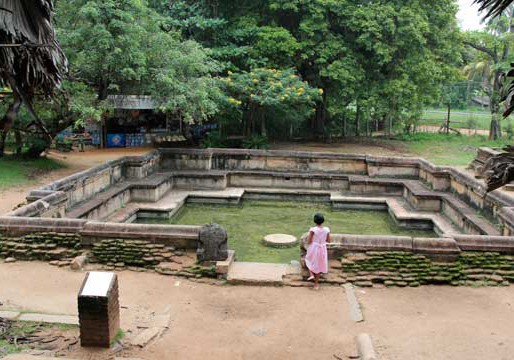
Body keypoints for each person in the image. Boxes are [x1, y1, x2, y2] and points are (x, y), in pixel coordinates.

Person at [305, 213, 330, 290]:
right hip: (322, 248)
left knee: (308, 259)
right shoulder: (327, 230)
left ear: (314, 221)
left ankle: (311, 273)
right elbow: (328, 240)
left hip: (314, 247)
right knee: (319, 264)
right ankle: (316, 284)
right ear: (323, 221)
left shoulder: (313, 230)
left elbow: (309, 241)